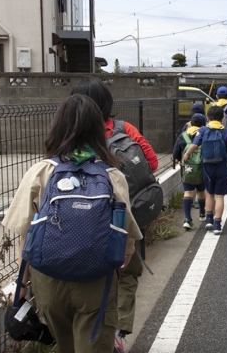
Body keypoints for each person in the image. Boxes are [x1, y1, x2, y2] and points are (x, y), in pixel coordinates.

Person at [2, 94, 142, 352]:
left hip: (48, 280)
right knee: (93, 343)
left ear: (57, 127)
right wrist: (124, 256)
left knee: (64, 344)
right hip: (95, 278)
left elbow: (25, 236)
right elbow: (128, 239)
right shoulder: (113, 176)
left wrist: (21, 285)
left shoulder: (40, 171)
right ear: (99, 130)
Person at [69, 78, 158, 353]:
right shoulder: (124, 129)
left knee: (91, 279)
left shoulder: (70, 138)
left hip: (83, 224)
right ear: (107, 103)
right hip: (123, 218)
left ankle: (88, 336)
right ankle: (118, 332)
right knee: (128, 273)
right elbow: (152, 162)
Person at [183, 105, 227, 235]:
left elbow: (194, 144)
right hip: (222, 166)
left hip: (207, 166)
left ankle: (208, 219)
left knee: (209, 192)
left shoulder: (203, 130)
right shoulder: (226, 132)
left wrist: (187, 154)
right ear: (222, 119)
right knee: (219, 196)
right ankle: (217, 223)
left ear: (208, 118)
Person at [173, 113, 208, 229]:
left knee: (188, 192)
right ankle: (202, 213)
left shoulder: (183, 136)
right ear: (203, 124)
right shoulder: (204, 134)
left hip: (187, 168)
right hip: (202, 167)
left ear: (191, 123)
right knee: (201, 190)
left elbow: (176, 154)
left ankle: (187, 219)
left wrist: (179, 160)